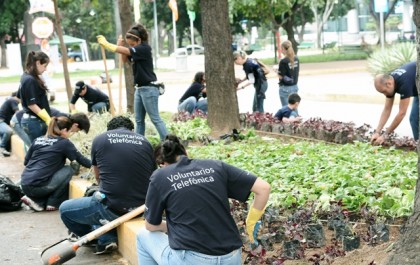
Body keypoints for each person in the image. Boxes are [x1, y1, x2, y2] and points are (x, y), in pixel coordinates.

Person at [137, 134, 270, 265]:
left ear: (162, 164)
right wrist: (251, 221)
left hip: (193, 259)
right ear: (186, 152)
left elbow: (151, 225)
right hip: (232, 257)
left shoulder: (160, 176)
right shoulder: (215, 166)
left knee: (143, 235)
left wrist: (172, 227)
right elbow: (263, 188)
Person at [60, 116, 156, 255]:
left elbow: (98, 176)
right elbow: (153, 176)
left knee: (65, 210)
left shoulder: (101, 139)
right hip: (142, 208)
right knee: (97, 203)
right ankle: (106, 239)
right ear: (131, 130)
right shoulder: (145, 141)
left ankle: (97, 238)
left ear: (109, 130)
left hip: (112, 207)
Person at [97, 24, 168, 141]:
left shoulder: (144, 49)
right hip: (139, 89)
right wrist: (119, 47)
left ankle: (168, 143)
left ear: (139, 40)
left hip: (149, 88)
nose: (131, 46)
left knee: (155, 119)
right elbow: (125, 59)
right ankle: (138, 143)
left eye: (132, 44)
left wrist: (108, 45)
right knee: (139, 120)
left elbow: (126, 51)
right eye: (129, 45)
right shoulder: (135, 51)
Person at [20, 116, 91, 212]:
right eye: (70, 131)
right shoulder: (64, 143)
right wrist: (98, 165)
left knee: (53, 173)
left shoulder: (38, 139)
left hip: (24, 183)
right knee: (69, 169)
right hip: (38, 187)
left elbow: (26, 162)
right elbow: (82, 160)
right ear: (64, 130)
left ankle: (37, 200)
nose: (70, 134)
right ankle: (52, 202)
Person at [371, 61, 418, 144]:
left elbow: (402, 113)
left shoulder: (404, 83)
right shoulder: (390, 80)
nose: (385, 94)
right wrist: (377, 132)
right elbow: (387, 109)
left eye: (384, 91)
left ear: (388, 84)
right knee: (414, 119)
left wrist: (385, 135)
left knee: (414, 117)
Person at [17, 51, 52, 143]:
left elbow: (19, 96)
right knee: (40, 152)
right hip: (34, 122)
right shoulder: (30, 80)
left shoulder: (26, 76)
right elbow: (32, 104)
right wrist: (47, 119)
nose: (45, 70)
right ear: (37, 63)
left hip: (33, 121)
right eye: (44, 66)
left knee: (38, 150)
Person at [10, 108, 90, 148]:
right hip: (18, 120)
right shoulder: (62, 121)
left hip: (33, 122)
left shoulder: (66, 119)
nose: (75, 132)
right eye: (77, 130)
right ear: (75, 125)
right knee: (36, 149)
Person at [278, 40, 300, 107]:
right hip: (295, 86)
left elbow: (282, 76)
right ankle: (296, 117)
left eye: (281, 49)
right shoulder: (296, 59)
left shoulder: (283, 61)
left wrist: (276, 72)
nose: (281, 51)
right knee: (294, 108)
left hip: (285, 88)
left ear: (284, 49)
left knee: (286, 109)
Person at [0, 91, 20, 156]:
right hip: (1, 122)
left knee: (12, 132)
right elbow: (18, 113)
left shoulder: (10, 100)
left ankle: (5, 150)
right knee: (9, 131)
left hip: (3, 122)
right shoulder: (13, 100)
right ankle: (2, 148)